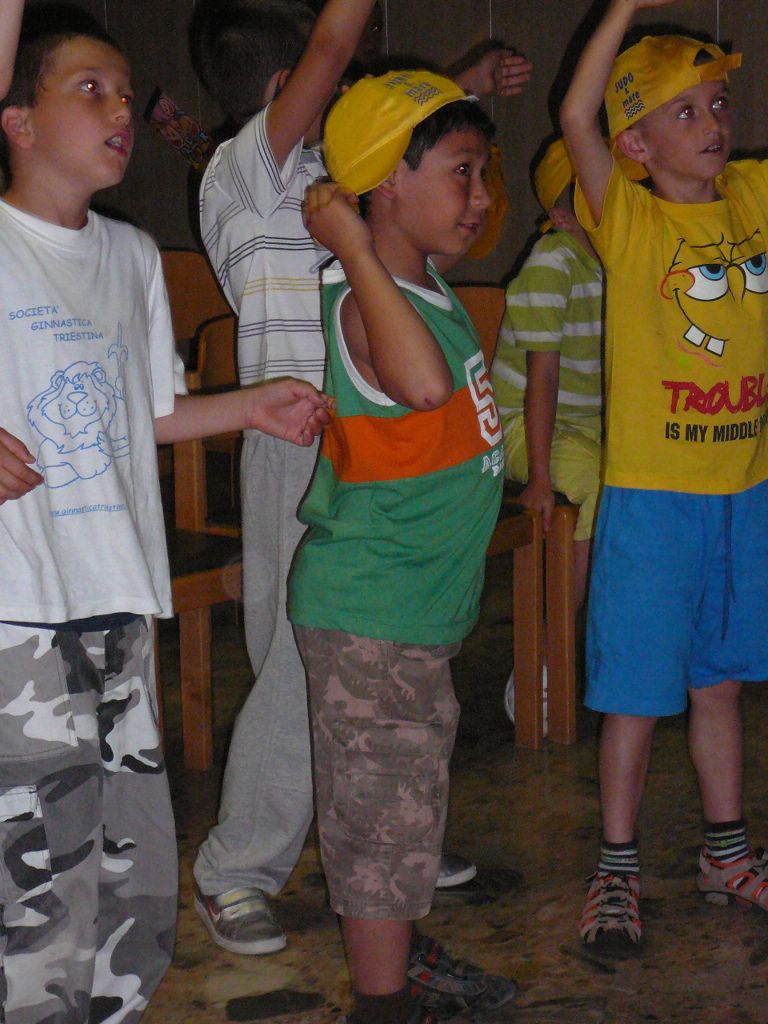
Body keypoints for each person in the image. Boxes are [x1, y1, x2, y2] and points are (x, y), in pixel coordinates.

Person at [0, 4, 331, 1020]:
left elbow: (145, 412)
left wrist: (251, 406)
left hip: (121, 599)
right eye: (87, 90)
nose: (119, 111)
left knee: (130, 873)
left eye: (122, 93)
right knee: (38, 877)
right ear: (17, 121)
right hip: (20, 611)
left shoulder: (132, 254)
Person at [190, 0, 532, 967]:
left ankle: (389, 833)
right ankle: (239, 866)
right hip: (301, 433)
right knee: (305, 665)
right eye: (328, 87)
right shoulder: (251, 170)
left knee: (370, 671)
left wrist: (460, 88)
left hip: (370, 437)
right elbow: (338, 43)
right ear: (284, 89)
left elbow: (403, 148)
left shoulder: (340, 188)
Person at [289, 68, 517, 1024]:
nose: (482, 196)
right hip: (371, 618)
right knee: (381, 837)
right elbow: (423, 388)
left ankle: (397, 963)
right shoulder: (367, 300)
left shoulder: (417, 287)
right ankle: (380, 1007)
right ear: (388, 181)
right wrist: (351, 244)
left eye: (482, 173)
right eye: (462, 172)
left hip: (411, 618)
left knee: (400, 819)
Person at [560, 0, 768, 954]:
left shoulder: (754, 196)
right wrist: (623, 9)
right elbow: (575, 114)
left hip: (744, 490)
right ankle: (616, 871)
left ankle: (727, 855)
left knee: (720, 685)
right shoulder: (630, 220)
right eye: (684, 111)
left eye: (718, 103)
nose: (713, 124)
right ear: (635, 144)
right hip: (654, 499)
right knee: (638, 696)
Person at [490, 137, 603, 728]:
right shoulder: (552, 263)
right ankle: (545, 650)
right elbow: (544, 378)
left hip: (585, 426)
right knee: (595, 484)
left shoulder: (619, 262)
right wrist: (538, 476)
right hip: (521, 424)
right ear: (561, 215)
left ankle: (614, 641)